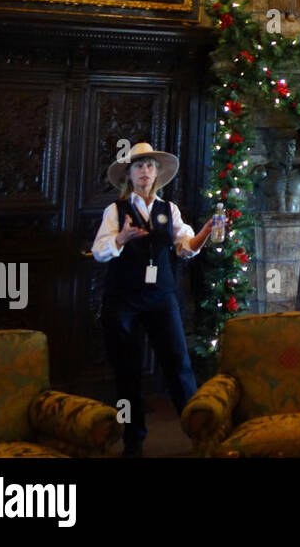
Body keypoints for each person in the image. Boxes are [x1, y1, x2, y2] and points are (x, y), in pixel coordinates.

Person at [92, 143, 214, 456]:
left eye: (149, 166)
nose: (144, 171)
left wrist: (204, 234)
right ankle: (133, 441)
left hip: (161, 295)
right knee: (127, 371)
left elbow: (185, 247)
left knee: (179, 364)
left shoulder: (169, 210)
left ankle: (200, 433)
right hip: (123, 299)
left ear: (157, 174)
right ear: (129, 175)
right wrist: (121, 238)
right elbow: (99, 251)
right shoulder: (115, 211)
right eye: (138, 166)